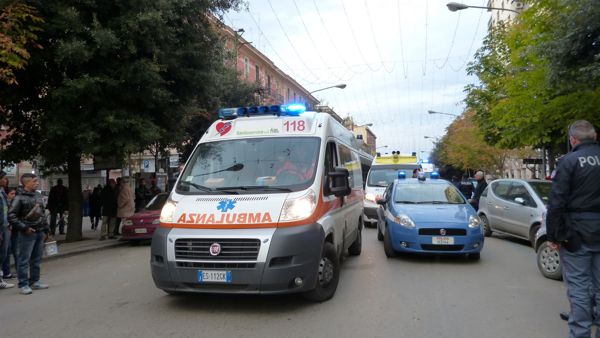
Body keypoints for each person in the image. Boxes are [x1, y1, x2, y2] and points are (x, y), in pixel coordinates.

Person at [546, 120, 600, 338]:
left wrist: (554, 235)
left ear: (573, 140)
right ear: (595, 137)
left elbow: (556, 202)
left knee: (578, 288)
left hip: (577, 234)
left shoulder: (569, 161)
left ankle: (580, 333)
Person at [8, 173, 51, 295]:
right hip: (27, 233)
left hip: (39, 231)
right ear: (27, 183)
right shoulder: (19, 198)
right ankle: (23, 284)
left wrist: (47, 230)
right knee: (24, 260)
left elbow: (42, 213)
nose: (37, 183)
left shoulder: (37, 195)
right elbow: (11, 216)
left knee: (36, 259)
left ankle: (34, 281)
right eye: (35, 181)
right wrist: (25, 228)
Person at [0, 171, 15, 289]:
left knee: (4, 253)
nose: (6, 180)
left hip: (5, 226)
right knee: (2, 253)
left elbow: (6, 210)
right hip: (1, 228)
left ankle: (2, 276)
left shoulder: (2, 193)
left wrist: (9, 223)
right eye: (4, 178)